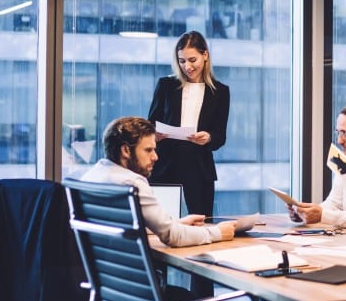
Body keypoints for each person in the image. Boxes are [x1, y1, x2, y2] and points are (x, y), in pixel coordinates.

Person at [81, 116, 236, 247]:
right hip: (137, 281)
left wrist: (177, 223)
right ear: (126, 151)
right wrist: (218, 232)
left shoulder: (92, 176)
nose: (155, 157)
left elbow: (126, 226)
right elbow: (173, 236)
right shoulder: (131, 183)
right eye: (148, 150)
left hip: (107, 278)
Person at [148, 30, 229, 217]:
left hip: (199, 168)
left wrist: (208, 137)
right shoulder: (166, 86)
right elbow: (151, 123)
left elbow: (220, 136)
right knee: (160, 222)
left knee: (202, 224)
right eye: (182, 61)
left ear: (205, 55)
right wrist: (154, 134)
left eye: (192, 60)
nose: (187, 66)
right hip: (165, 165)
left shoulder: (220, 92)